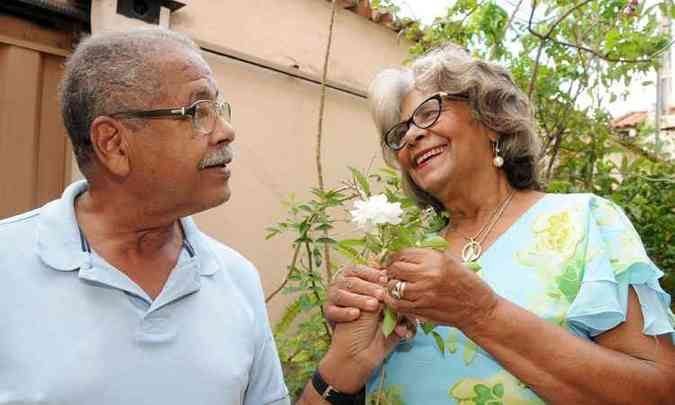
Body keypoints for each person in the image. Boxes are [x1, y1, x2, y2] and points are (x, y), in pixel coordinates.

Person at [315, 43, 675, 404]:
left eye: (427, 113)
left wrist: (479, 312)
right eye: (399, 132)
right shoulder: (405, 256)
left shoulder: (584, 223)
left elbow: (660, 392)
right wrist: (350, 353)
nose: (410, 136)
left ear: (490, 120)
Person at [0, 28, 290, 405]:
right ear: (114, 143)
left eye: (218, 110)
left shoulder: (236, 277)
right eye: (198, 112)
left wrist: (338, 372)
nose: (225, 132)